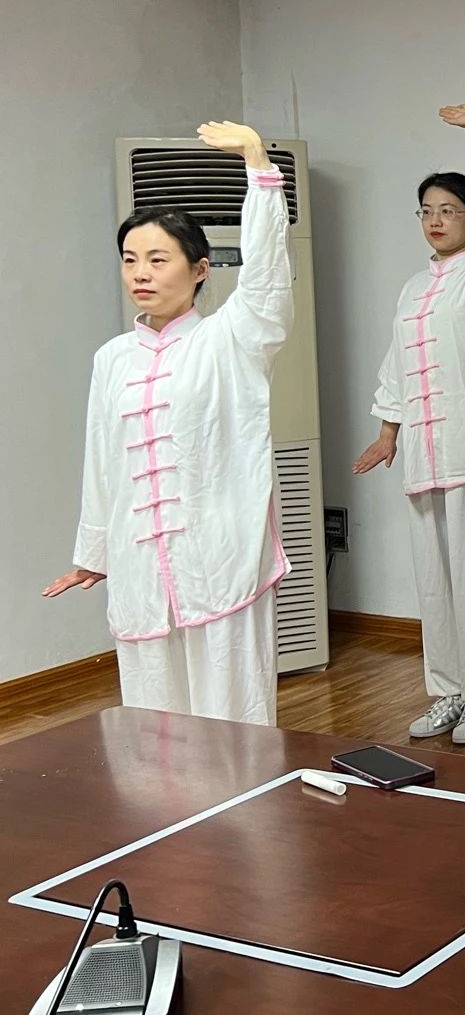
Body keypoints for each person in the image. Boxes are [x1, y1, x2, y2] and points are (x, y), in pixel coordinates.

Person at [49, 121, 294, 726]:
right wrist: (95, 552)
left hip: (221, 555)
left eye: (158, 259)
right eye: (130, 260)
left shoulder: (233, 338)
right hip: (139, 566)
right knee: (154, 721)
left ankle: (246, 790)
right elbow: (103, 460)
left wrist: (258, 165)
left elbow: (266, 274)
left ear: (200, 268)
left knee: (232, 714)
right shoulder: (112, 359)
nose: (141, 273)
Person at [355, 105, 465, 747]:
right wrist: (388, 432)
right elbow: (397, 363)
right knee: (434, 582)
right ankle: (449, 691)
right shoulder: (412, 289)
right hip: (424, 455)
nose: (435, 220)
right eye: (426, 211)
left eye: (449, 210)